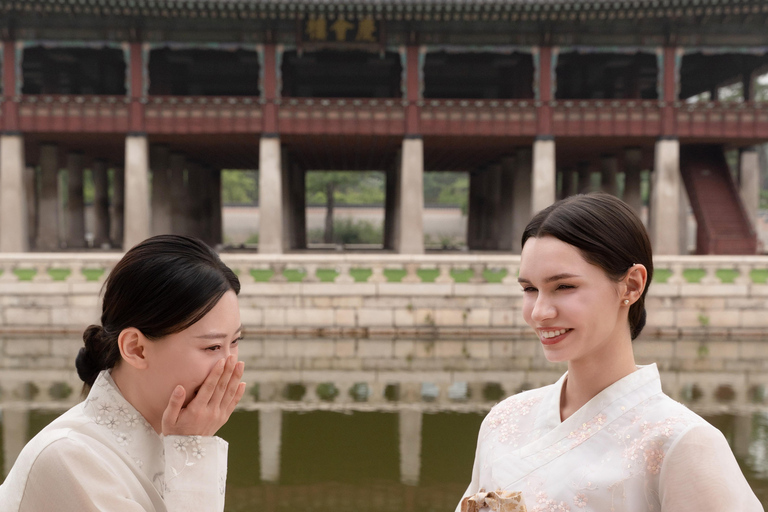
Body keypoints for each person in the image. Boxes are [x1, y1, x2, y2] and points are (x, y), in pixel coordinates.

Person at [457, 194, 762, 512]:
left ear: (631, 285)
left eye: (564, 287)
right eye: (529, 289)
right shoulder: (505, 419)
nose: (539, 312)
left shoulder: (682, 442)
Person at [0, 235, 246, 512]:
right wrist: (192, 449)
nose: (230, 366)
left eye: (235, 342)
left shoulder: (170, 434)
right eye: (212, 346)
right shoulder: (69, 457)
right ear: (136, 349)